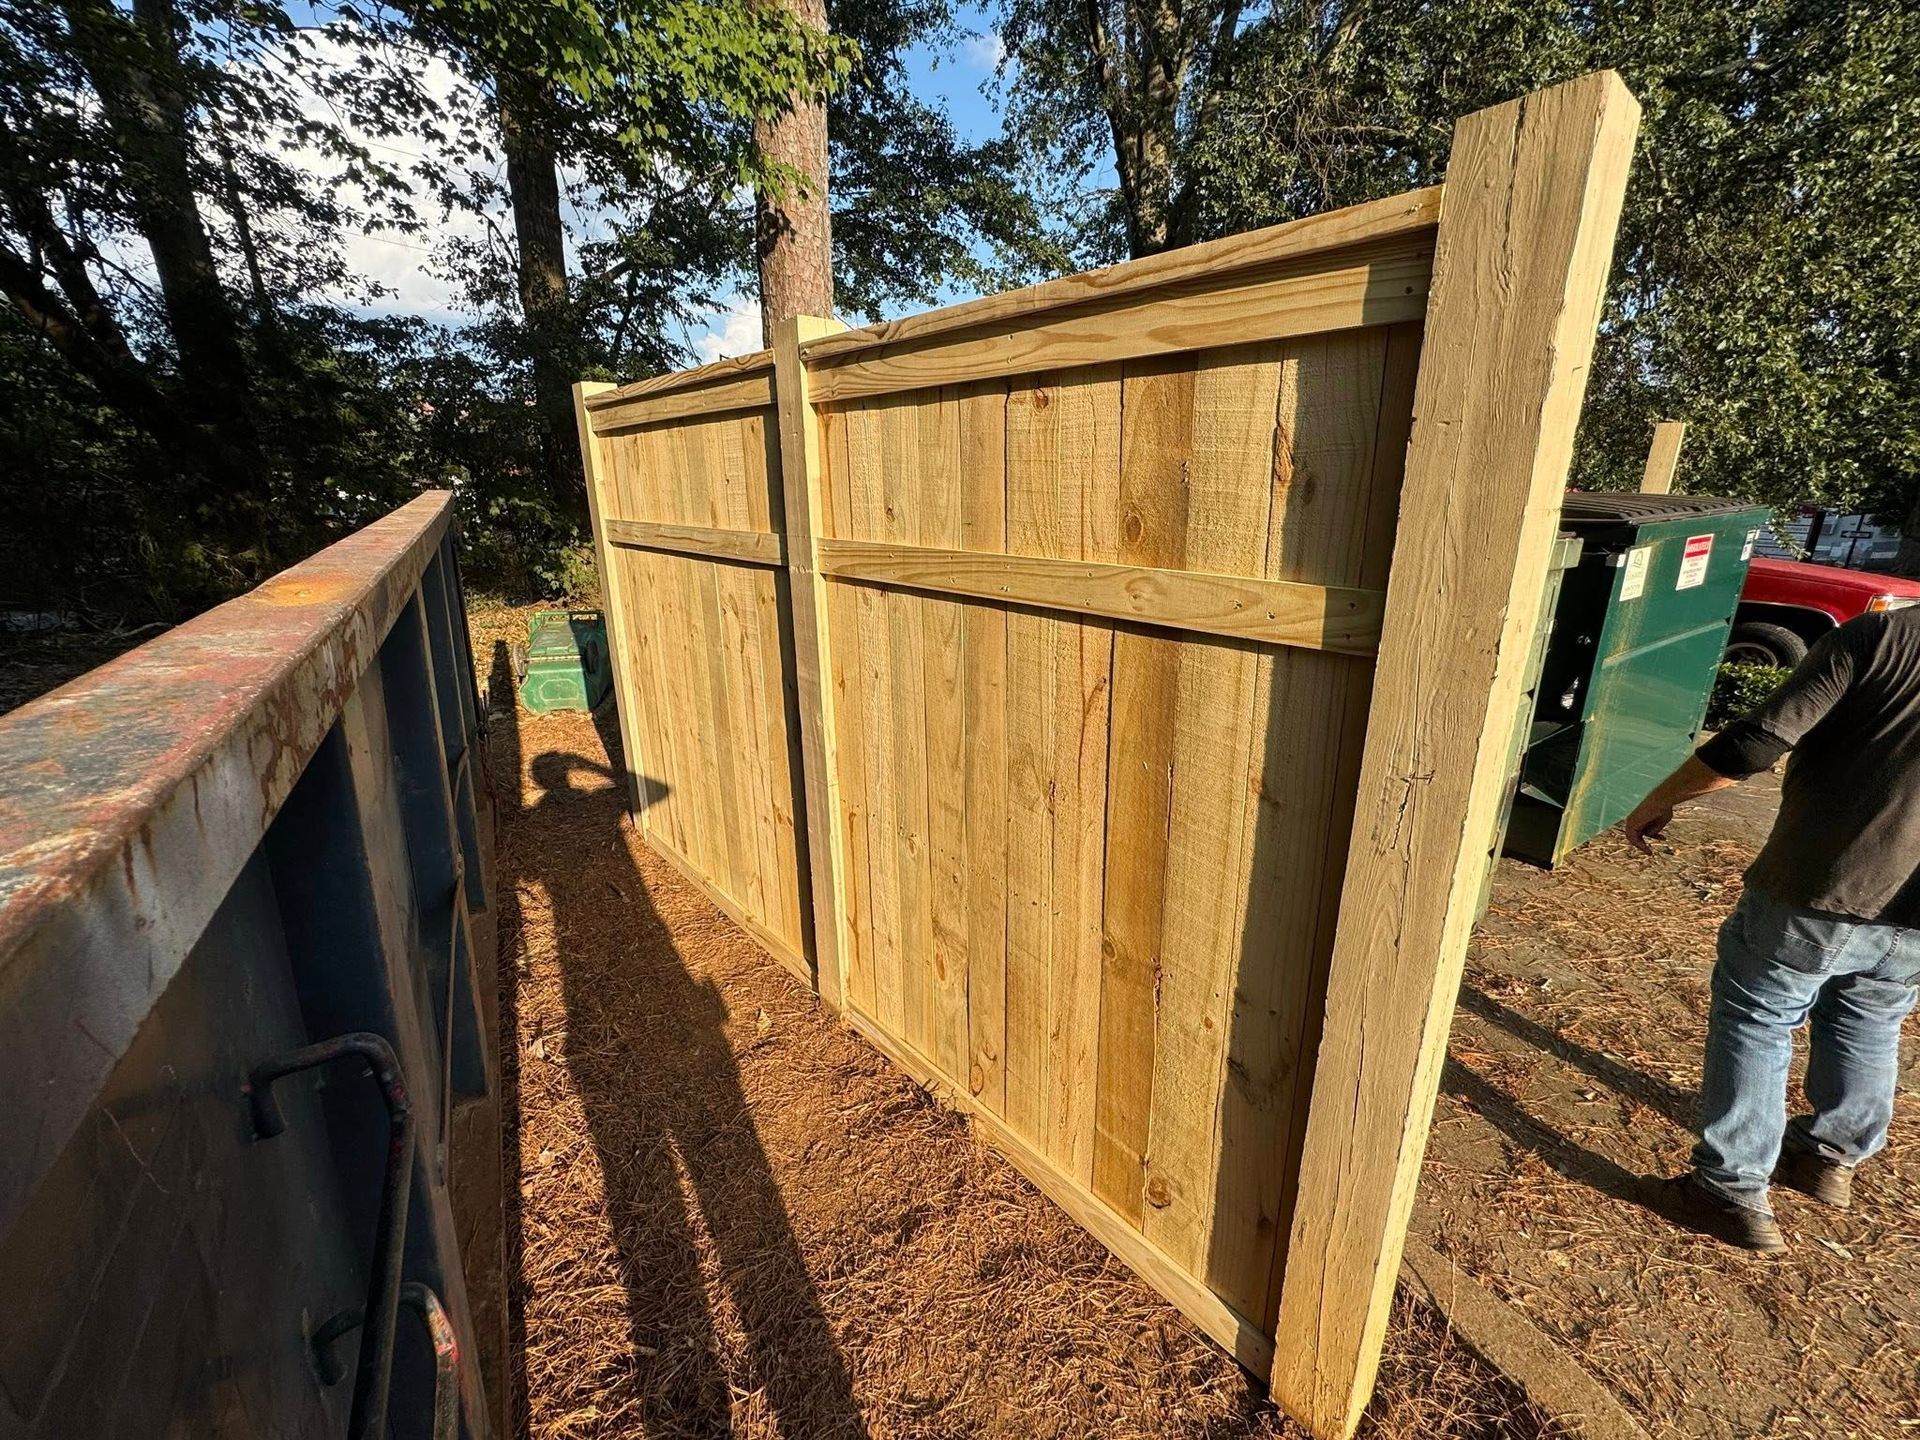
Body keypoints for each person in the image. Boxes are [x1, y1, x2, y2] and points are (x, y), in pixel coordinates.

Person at [1620, 606, 1920, 1253]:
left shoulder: (1881, 639)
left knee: (1759, 1014)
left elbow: (1755, 742)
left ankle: (1729, 1188)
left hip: (1824, 882)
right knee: (1872, 1018)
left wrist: (1659, 796)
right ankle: (1826, 1156)